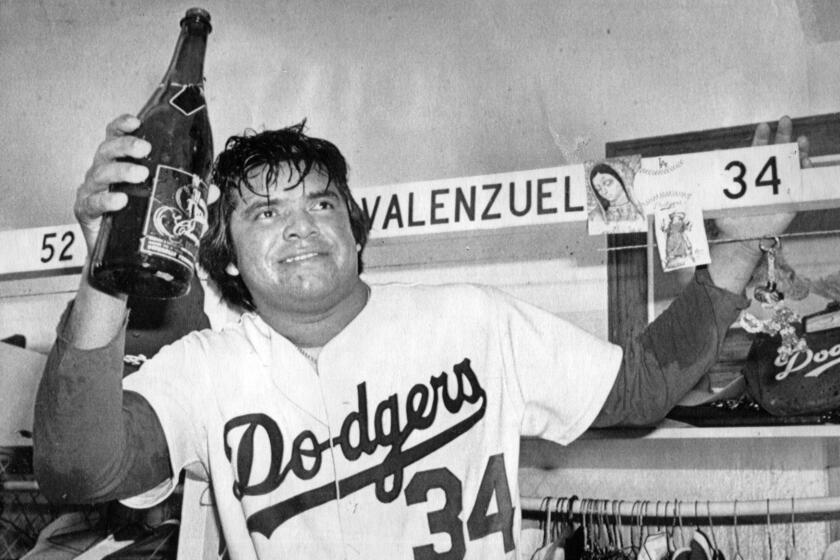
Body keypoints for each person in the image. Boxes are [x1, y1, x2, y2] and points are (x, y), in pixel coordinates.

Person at [34, 115, 810, 559]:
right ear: (227, 256)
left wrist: (737, 249)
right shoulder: (207, 367)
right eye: (263, 214)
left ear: (355, 228)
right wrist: (107, 267)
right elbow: (80, 472)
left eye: (320, 204)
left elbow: (641, 385)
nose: (299, 227)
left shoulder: (470, 318)